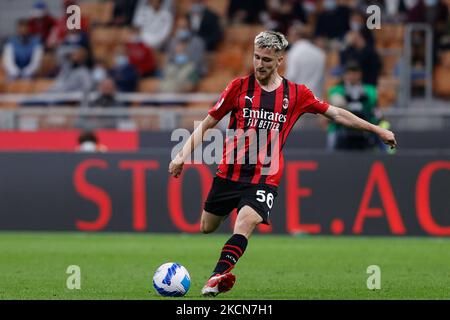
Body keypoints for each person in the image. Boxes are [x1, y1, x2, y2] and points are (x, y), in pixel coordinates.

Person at [168, 31, 397, 297]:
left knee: (246, 222)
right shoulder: (238, 87)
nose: (259, 64)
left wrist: (376, 130)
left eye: (266, 59)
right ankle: (219, 269)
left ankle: (216, 277)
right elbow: (208, 123)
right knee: (206, 227)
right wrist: (182, 154)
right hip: (230, 171)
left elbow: (335, 113)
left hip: (266, 174)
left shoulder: (296, 94)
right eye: (256, 57)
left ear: (279, 60)